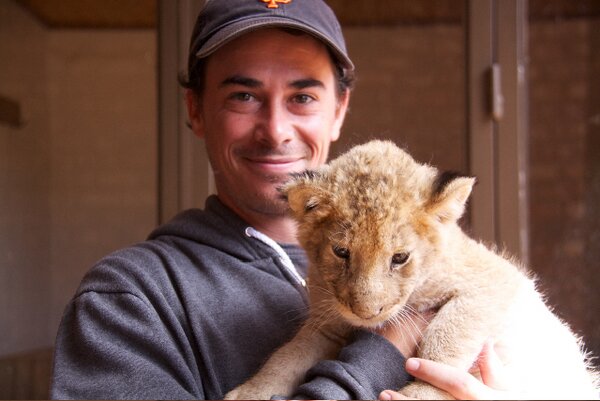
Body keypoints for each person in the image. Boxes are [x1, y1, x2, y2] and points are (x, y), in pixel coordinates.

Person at [50, 0, 510, 399]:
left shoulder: (429, 253)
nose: (275, 131)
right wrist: (381, 354)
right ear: (195, 109)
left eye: (303, 96)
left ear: (339, 111)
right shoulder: (128, 300)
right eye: (244, 95)